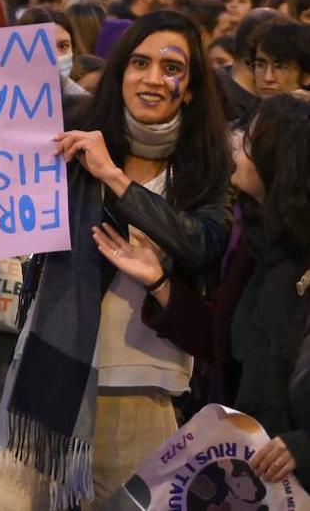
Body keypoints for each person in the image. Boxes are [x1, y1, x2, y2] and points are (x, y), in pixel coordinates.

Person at [0, 10, 232, 510]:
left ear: (190, 87)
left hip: (143, 392)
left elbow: (204, 244)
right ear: (120, 72)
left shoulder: (208, 165)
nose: (153, 78)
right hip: (45, 380)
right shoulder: (73, 132)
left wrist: (115, 179)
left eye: (171, 66)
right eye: (140, 62)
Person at [97, 93, 310, 486]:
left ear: (282, 160)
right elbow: (221, 344)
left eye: (249, 141)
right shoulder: (256, 244)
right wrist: (158, 281)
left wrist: (304, 447)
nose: (235, 146)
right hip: (251, 469)